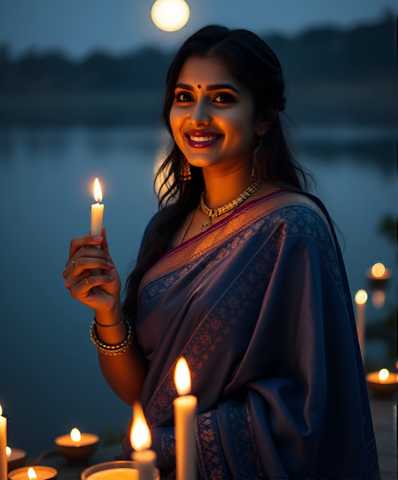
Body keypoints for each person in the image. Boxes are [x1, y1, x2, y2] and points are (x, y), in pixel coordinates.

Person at [62, 25, 380, 479]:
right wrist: (108, 311)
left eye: (223, 98)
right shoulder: (168, 226)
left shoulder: (291, 228)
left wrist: (185, 437)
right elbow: (146, 394)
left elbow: (309, 412)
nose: (198, 116)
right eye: (184, 97)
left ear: (264, 117)